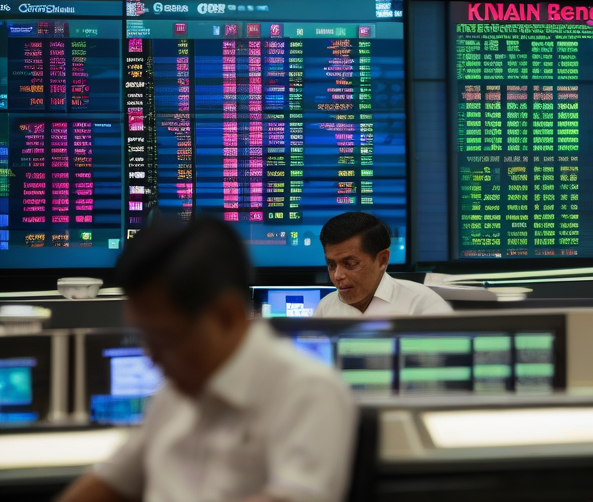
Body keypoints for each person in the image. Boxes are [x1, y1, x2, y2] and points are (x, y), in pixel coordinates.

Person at [56, 217, 357, 502]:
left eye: (164, 339)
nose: (152, 360)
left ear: (227, 316)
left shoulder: (307, 390)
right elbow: (112, 479)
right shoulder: (174, 391)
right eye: (144, 339)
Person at [313, 212, 452, 317]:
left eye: (350, 263)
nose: (337, 276)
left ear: (382, 260)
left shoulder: (422, 305)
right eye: (331, 265)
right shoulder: (326, 307)